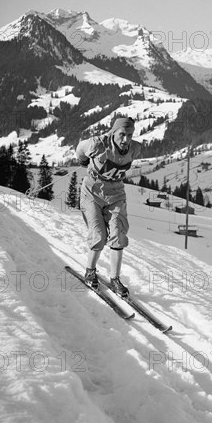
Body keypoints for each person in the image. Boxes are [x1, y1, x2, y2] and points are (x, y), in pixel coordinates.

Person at [76, 117, 141, 297]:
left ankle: (115, 279)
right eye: (122, 134)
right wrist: (82, 160)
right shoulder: (98, 145)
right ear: (113, 132)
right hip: (92, 192)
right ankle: (90, 270)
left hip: (116, 194)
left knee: (118, 233)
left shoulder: (135, 149)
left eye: (129, 135)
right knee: (98, 235)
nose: (126, 139)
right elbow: (81, 148)